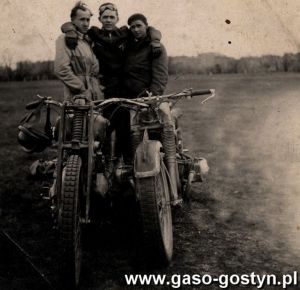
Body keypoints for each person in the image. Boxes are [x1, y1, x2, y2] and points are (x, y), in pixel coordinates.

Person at [124, 13, 180, 205]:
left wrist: (153, 95)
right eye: (132, 27)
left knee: (164, 139)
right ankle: (138, 191)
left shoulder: (156, 46)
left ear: (146, 26)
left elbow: (161, 75)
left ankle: (173, 190)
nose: (135, 29)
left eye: (139, 26)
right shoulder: (128, 45)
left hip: (151, 100)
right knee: (133, 143)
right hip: (130, 100)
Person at [61, 2, 162, 98]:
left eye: (112, 17)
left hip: (125, 87)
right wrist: (70, 30)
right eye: (105, 17)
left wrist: (156, 41)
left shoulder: (125, 33)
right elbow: (71, 25)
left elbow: (149, 30)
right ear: (99, 19)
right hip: (104, 87)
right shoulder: (94, 33)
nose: (108, 20)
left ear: (117, 19)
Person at [54, 1, 104, 101]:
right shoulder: (65, 39)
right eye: (82, 19)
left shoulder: (87, 41)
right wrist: (81, 89)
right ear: (72, 21)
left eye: (88, 20)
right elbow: (61, 69)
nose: (86, 24)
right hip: (77, 97)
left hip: (94, 96)